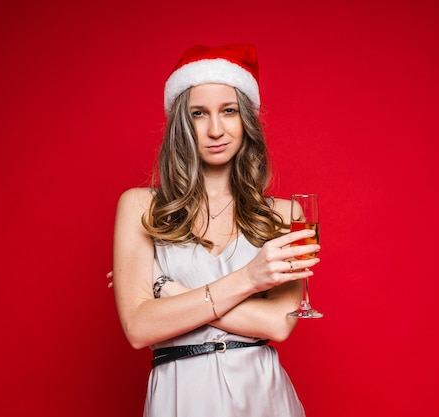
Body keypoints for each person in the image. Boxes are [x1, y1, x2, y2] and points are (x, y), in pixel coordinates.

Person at [112, 43, 321, 417]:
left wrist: (167, 290)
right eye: (198, 114)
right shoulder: (140, 207)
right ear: (182, 123)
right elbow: (139, 329)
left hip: (261, 395)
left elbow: (278, 324)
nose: (215, 129)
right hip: (180, 395)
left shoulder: (285, 214)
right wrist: (250, 279)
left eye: (229, 111)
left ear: (247, 121)